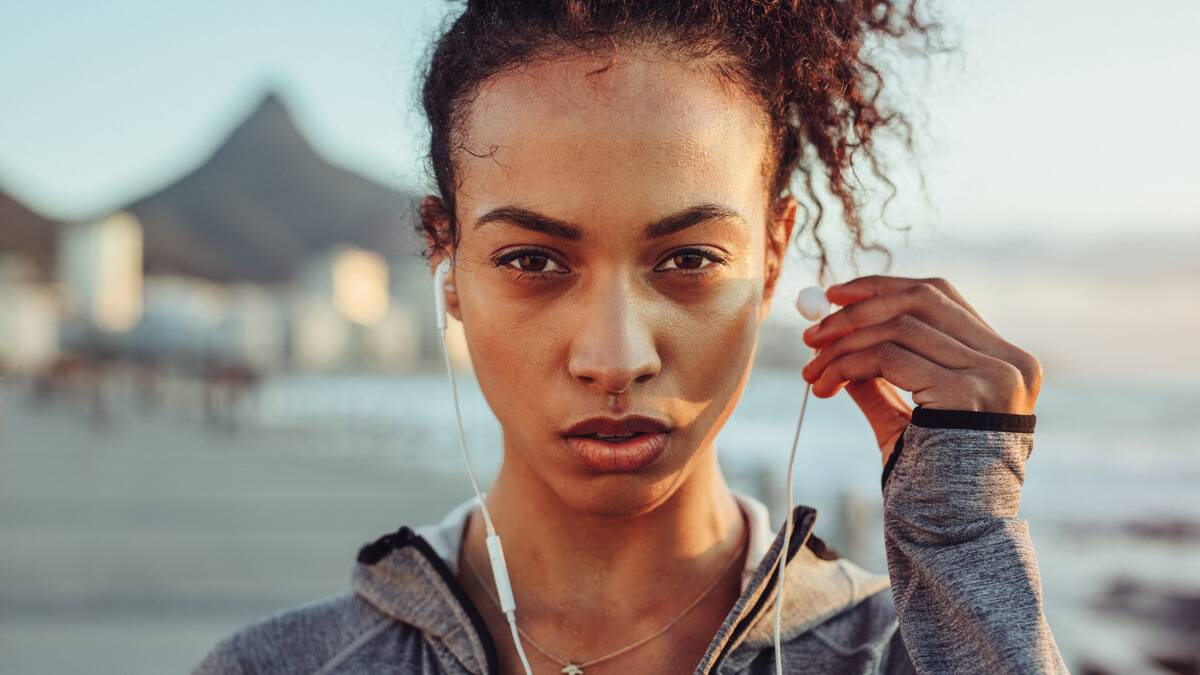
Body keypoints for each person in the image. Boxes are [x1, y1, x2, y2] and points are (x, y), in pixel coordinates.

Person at [194, 1, 1067, 673]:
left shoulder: (899, 653)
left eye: (687, 256)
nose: (615, 358)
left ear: (772, 255)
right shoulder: (285, 665)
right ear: (445, 257)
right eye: (534, 260)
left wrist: (961, 541)